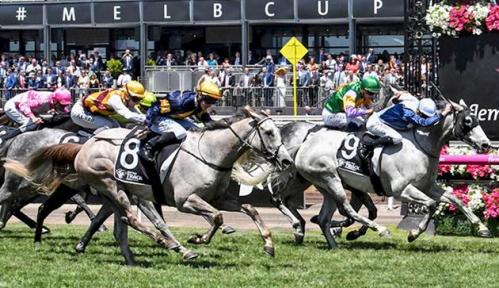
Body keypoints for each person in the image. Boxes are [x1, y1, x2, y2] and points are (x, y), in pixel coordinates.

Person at [139, 78, 222, 162]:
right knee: (180, 132)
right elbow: (154, 108)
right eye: (209, 100)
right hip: (156, 118)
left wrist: (222, 126)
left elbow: (208, 121)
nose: (210, 104)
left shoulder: (199, 104)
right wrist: (147, 125)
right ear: (200, 95)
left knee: (198, 131)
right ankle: (149, 147)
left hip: (172, 119)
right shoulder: (180, 102)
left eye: (214, 101)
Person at [366, 96, 452, 146]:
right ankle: (370, 144)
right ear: (419, 111)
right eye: (424, 115)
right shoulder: (408, 112)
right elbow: (425, 123)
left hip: (385, 121)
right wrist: (444, 113)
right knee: (397, 138)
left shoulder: (417, 104)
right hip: (375, 124)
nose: (425, 117)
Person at [70, 80, 146, 131]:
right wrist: (147, 119)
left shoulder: (126, 99)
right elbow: (128, 115)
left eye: (140, 99)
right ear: (127, 96)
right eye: (136, 99)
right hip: (80, 111)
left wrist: (150, 118)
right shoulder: (115, 99)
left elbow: (139, 115)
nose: (137, 102)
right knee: (108, 125)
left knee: (117, 128)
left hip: (93, 113)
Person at [4, 88, 72, 132]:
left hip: (25, 109)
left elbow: (64, 111)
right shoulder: (43, 100)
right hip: (13, 107)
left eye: (65, 105)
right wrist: (33, 118)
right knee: (31, 124)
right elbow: (23, 105)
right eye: (62, 105)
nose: (64, 107)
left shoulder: (55, 100)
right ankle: (7, 138)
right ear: (55, 101)